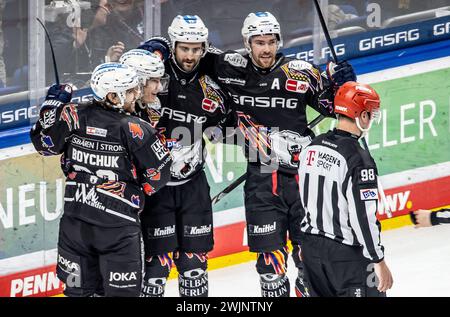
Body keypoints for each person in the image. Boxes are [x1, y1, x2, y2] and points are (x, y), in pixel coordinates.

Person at [140, 11, 356, 297]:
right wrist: (154, 47)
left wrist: (346, 85)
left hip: (304, 178)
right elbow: (180, 50)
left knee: (310, 262)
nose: (265, 48)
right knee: (269, 267)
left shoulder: (301, 72)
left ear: (279, 41)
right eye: (258, 42)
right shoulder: (229, 66)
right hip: (263, 176)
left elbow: (337, 108)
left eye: (270, 41)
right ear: (247, 42)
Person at [29, 62, 172, 297]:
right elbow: (156, 179)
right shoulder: (135, 127)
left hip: (76, 226)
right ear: (114, 96)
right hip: (118, 230)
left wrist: (52, 105)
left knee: (78, 293)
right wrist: (134, 190)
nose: (136, 93)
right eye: (131, 90)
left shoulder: (73, 114)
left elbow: (44, 145)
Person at [134, 16, 231, 297]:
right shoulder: (153, 73)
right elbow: (135, 63)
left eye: (196, 49)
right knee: (155, 272)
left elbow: (227, 121)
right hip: (156, 190)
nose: (190, 56)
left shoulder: (212, 85)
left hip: (193, 186)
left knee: (194, 267)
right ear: (174, 45)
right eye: (184, 48)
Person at [298, 81, 394, 297]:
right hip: (346, 258)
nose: (371, 118)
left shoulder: (312, 146)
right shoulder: (358, 159)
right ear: (361, 116)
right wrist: (378, 259)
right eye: (370, 113)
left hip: (311, 250)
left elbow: (305, 199)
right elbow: (363, 217)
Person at [119, 48, 168, 128]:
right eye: (155, 80)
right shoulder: (116, 111)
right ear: (138, 81)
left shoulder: (152, 105)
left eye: (160, 80)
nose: (160, 88)